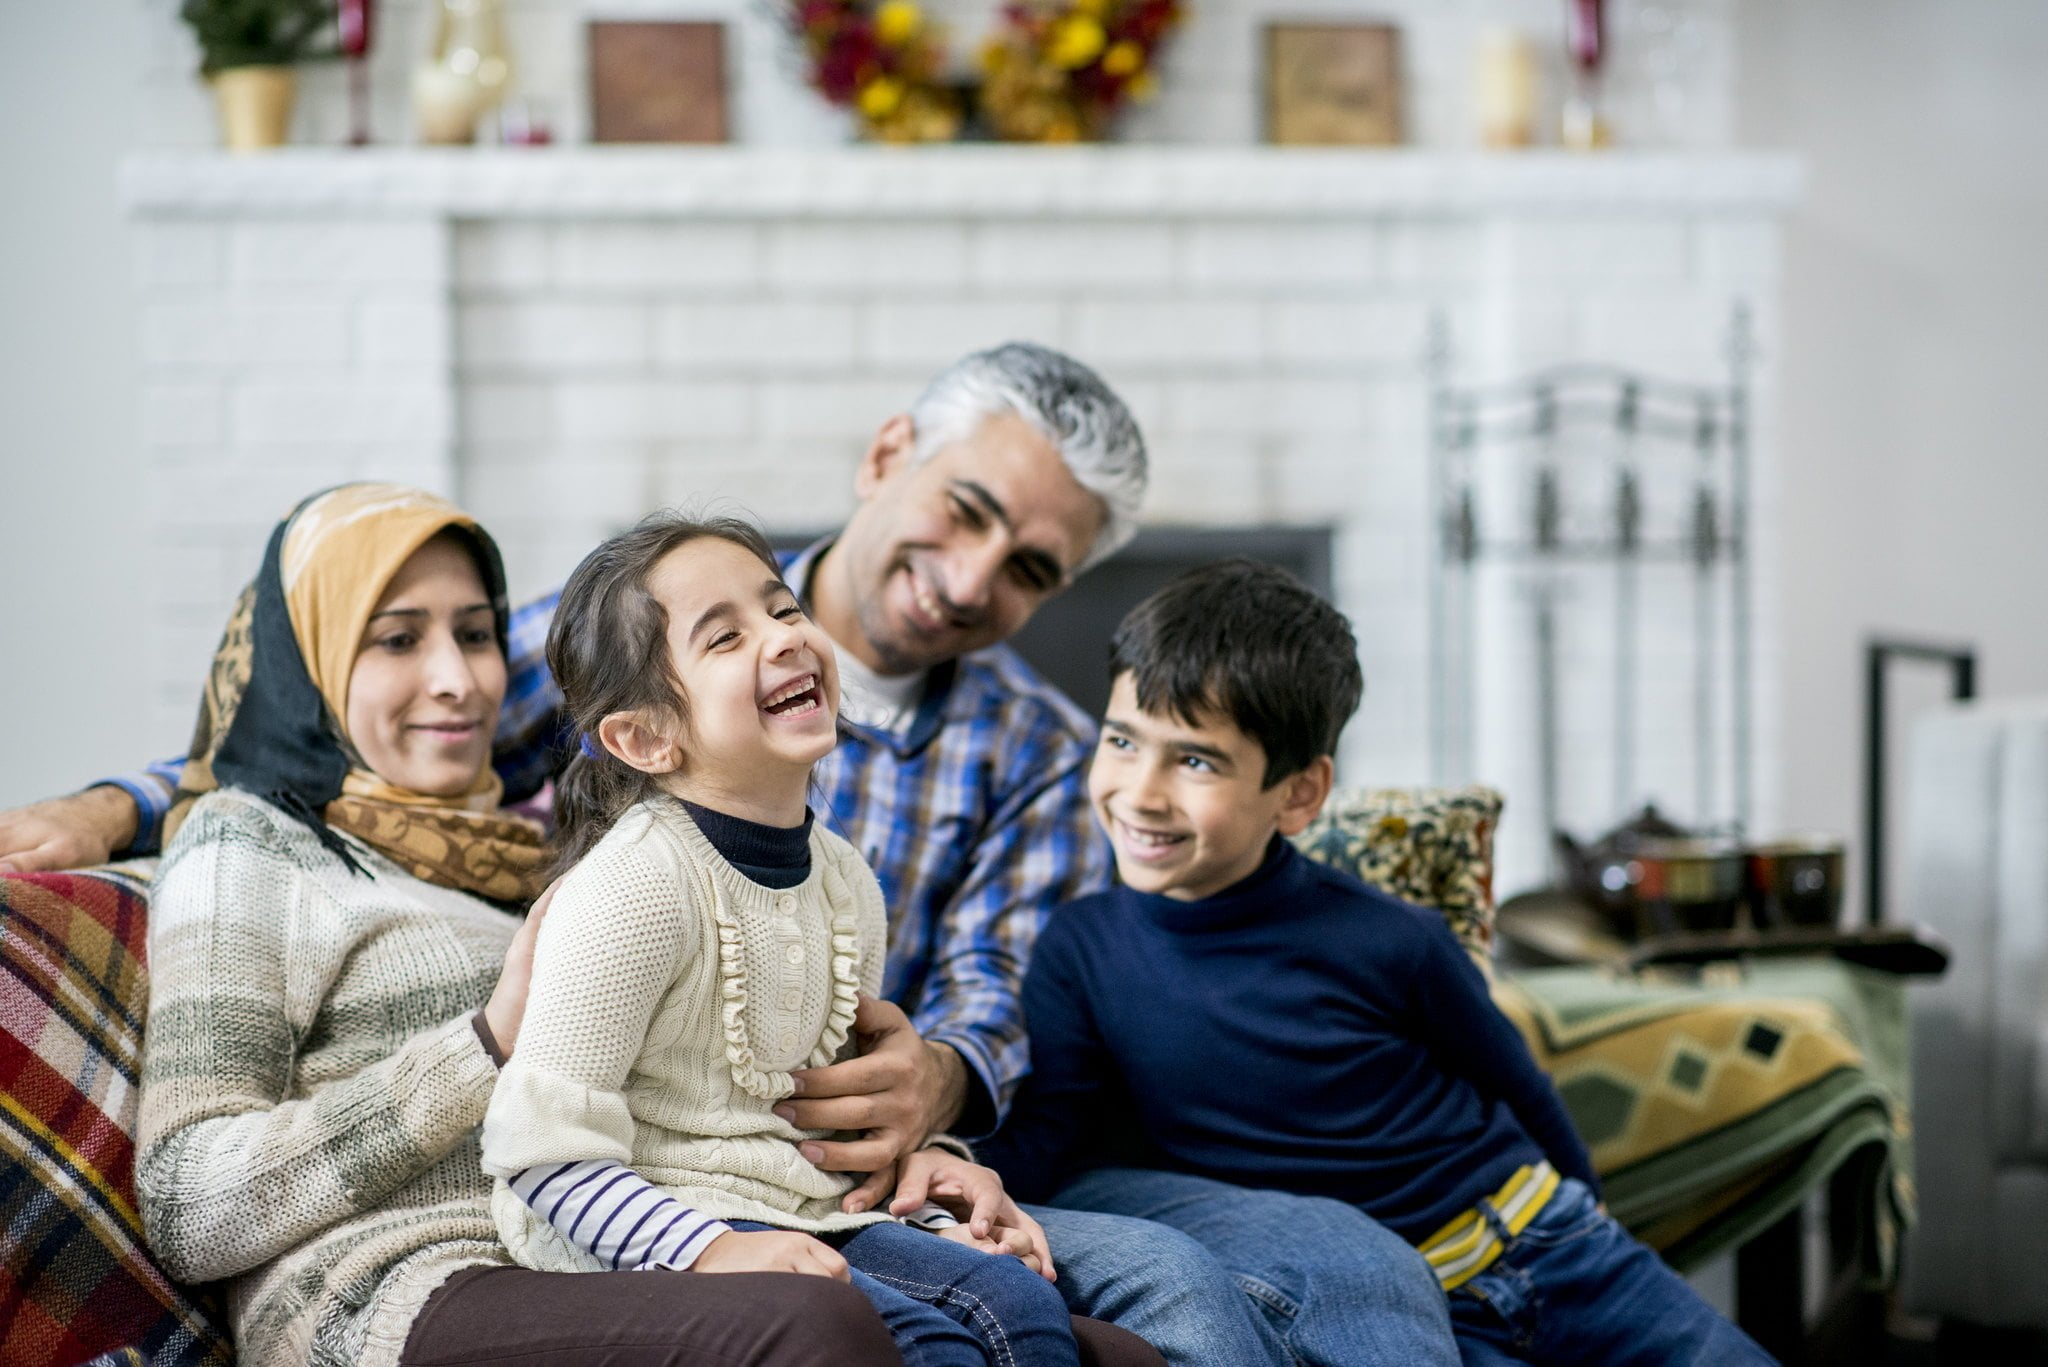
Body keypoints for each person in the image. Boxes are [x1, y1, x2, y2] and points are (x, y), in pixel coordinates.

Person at [21, 344, 1449, 1364]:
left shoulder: (544, 843)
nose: (969, 580)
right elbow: (309, 733)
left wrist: (937, 1095)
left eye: (1030, 571)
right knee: (1073, 1300)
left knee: (1269, 1279)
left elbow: (987, 990)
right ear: (889, 456)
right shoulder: (584, 742)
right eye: (965, 512)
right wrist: (105, 808)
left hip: (814, 1168)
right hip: (557, 1229)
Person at [136, 483, 902, 1367]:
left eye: (475, 633)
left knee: (1054, 1331)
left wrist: (915, 1158)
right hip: (394, 1284)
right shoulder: (250, 843)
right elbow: (188, 1203)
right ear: (308, 660)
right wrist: (483, 1044)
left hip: (601, 1246)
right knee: (813, 1324)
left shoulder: (546, 844)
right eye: (396, 638)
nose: (458, 678)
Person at [980, 559, 1777, 1366]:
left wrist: (1588, 1217)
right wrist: (948, 1168)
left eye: (1197, 761)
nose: (1141, 792)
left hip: (1554, 1246)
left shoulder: (1390, 936)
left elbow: (1519, 1085)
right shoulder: (1080, 950)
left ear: (1298, 794)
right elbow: (1058, 1135)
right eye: (1122, 741)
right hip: (1407, 1307)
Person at [478, 511, 1153, 1367]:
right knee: (922, 1342)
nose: (784, 638)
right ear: (646, 735)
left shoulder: (846, 883)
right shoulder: (633, 888)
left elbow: (832, 1142)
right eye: (725, 637)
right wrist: (710, 1249)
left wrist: (943, 1216)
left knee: (1017, 1301)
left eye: (784, 609)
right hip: (647, 1222)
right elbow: (537, 1156)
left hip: (800, 1210)